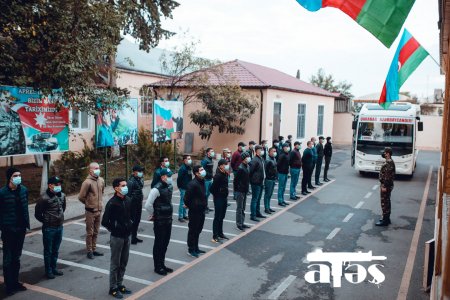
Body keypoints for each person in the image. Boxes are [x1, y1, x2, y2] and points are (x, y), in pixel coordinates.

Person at [101, 178, 133, 299]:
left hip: (127, 236)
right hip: (117, 237)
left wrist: (130, 224)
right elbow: (105, 221)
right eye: (123, 185)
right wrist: (115, 228)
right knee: (115, 263)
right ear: (116, 188)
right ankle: (113, 288)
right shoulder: (112, 203)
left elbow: (131, 215)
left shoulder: (128, 200)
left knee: (124, 262)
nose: (126, 187)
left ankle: (120, 284)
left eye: (126, 185)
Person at [0, 167, 30, 296]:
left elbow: (25, 208)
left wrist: (26, 224)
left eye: (19, 175)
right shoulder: (2, 193)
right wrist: (4, 227)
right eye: (15, 175)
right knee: (8, 258)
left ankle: (15, 282)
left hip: (20, 229)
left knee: (16, 258)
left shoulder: (23, 190)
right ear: (9, 178)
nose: (19, 177)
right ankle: (9, 285)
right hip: (8, 230)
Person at [35, 176, 66, 279]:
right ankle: (48, 271)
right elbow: (38, 214)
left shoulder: (62, 195)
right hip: (49, 228)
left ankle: (54, 268)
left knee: (55, 249)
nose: (59, 186)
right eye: (56, 184)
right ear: (50, 185)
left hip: (59, 227)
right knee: (48, 250)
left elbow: (63, 208)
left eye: (59, 184)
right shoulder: (43, 198)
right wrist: (46, 221)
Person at [145, 169, 174, 275]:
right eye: (168, 176)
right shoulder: (156, 189)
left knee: (165, 243)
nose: (171, 177)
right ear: (163, 177)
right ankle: (157, 267)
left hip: (168, 219)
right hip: (160, 221)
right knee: (159, 244)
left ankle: (162, 264)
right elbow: (148, 205)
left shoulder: (168, 186)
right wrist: (154, 214)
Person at [79, 162, 105, 259]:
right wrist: (89, 204)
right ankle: (89, 251)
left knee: (96, 231)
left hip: (99, 210)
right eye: (95, 168)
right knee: (90, 232)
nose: (98, 170)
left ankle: (94, 249)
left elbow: (102, 192)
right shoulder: (87, 182)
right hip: (90, 211)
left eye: (98, 168)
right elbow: (81, 197)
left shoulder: (101, 180)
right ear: (90, 170)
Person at [184, 166, 208, 257]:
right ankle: (191, 249)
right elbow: (186, 198)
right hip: (194, 211)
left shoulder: (202, 181)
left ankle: (196, 247)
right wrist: (192, 206)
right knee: (193, 230)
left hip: (201, 210)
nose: (203, 171)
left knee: (198, 229)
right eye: (201, 170)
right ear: (196, 173)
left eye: (203, 169)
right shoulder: (192, 184)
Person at [210, 159, 230, 243]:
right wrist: (217, 195)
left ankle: (220, 233)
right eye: (225, 164)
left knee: (222, 216)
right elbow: (212, 188)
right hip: (219, 198)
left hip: (224, 197)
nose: (227, 166)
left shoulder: (225, 173)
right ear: (221, 165)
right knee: (217, 217)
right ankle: (215, 235)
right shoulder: (218, 175)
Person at [376, 147, 396, 226]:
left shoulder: (389, 164)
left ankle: (385, 220)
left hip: (386, 186)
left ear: (387, 154)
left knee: (384, 202)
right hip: (387, 185)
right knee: (387, 201)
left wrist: (384, 186)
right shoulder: (389, 162)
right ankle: (387, 218)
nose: (383, 154)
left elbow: (387, 177)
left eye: (384, 152)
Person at [127, 165, 144, 244]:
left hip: (138, 204)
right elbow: (128, 195)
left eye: (141, 171)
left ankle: (134, 237)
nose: (141, 173)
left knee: (137, 221)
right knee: (132, 221)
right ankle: (129, 238)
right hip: (133, 205)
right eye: (139, 171)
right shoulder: (131, 181)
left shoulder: (139, 179)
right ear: (135, 172)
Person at [234, 152, 251, 231]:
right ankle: (239, 224)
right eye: (247, 157)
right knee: (239, 208)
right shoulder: (240, 168)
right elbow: (236, 180)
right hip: (240, 191)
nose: (248, 158)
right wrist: (236, 190)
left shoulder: (247, 166)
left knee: (243, 208)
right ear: (243, 159)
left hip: (244, 190)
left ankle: (242, 222)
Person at [249, 145, 266, 221]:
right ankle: (253, 215)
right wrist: (253, 180)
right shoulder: (254, 160)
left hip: (261, 182)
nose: (262, 151)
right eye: (260, 149)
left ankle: (257, 212)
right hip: (256, 182)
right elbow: (250, 171)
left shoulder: (261, 159)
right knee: (255, 199)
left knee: (258, 199)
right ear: (256, 151)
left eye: (262, 149)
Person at [177, 155, 193, 222]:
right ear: (184, 160)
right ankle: (180, 217)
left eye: (190, 158)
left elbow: (190, 177)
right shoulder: (182, 168)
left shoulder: (189, 167)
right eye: (188, 159)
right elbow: (179, 179)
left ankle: (184, 215)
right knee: (182, 202)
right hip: (183, 187)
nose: (190, 160)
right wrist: (180, 187)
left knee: (186, 202)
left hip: (188, 187)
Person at [263, 147, 277, 214]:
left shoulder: (274, 158)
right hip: (269, 179)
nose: (274, 152)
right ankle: (266, 208)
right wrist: (267, 177)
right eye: (273, 151)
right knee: (267, 194)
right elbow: (265, 170)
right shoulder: (267, 160)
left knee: (270, 194)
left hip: (273, 179)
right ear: (269, 152)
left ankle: (268, 207)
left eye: (275, 151)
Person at [201, 148, 215, 213]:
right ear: (208, 153)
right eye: (211, 151)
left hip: (210, 179)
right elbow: (202, 170)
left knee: (208, 194)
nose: (213, 152)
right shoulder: (205, 160)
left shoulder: (210, 159)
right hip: (205, 180)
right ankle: (203, 208)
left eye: (213, 151)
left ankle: (206, 207)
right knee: (205, 194)